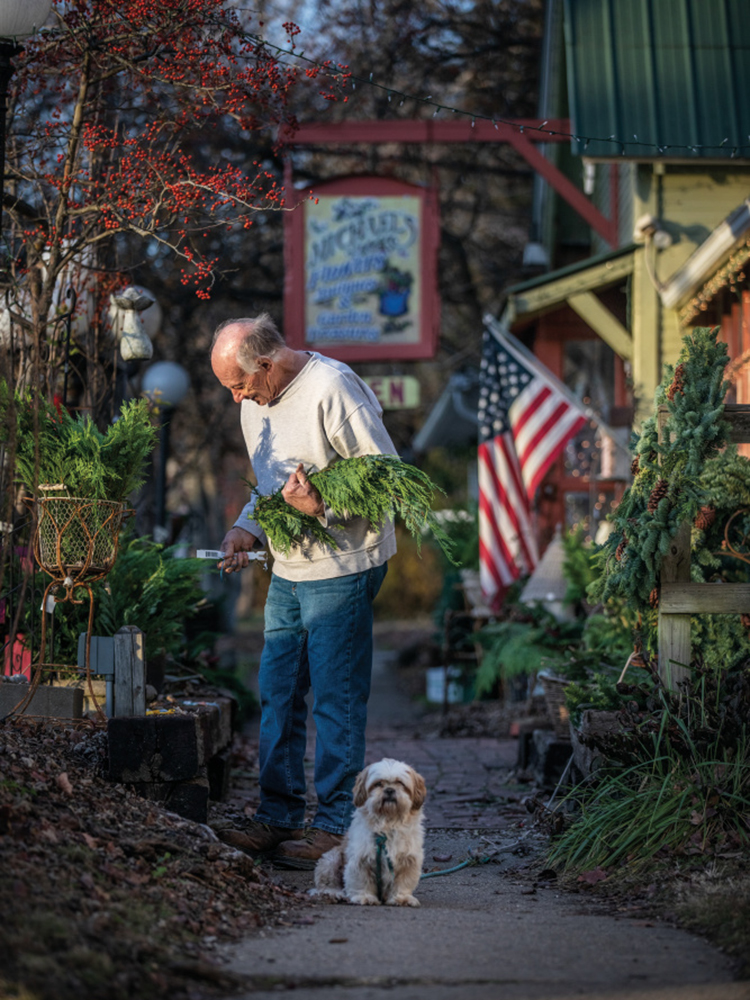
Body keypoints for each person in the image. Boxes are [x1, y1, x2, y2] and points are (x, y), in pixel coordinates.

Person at [210, 313, 397, 869]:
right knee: (279, 690)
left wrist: (323, 508)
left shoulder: (333, 389)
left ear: (266, 364)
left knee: (336, 700)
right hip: (290, 568)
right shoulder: (255, 402)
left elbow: (388, 483)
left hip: (344, 564)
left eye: (238, 385)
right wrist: (248, 525)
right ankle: (279, 814)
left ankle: (337, 825)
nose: (235, 397)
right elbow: (271, 489)